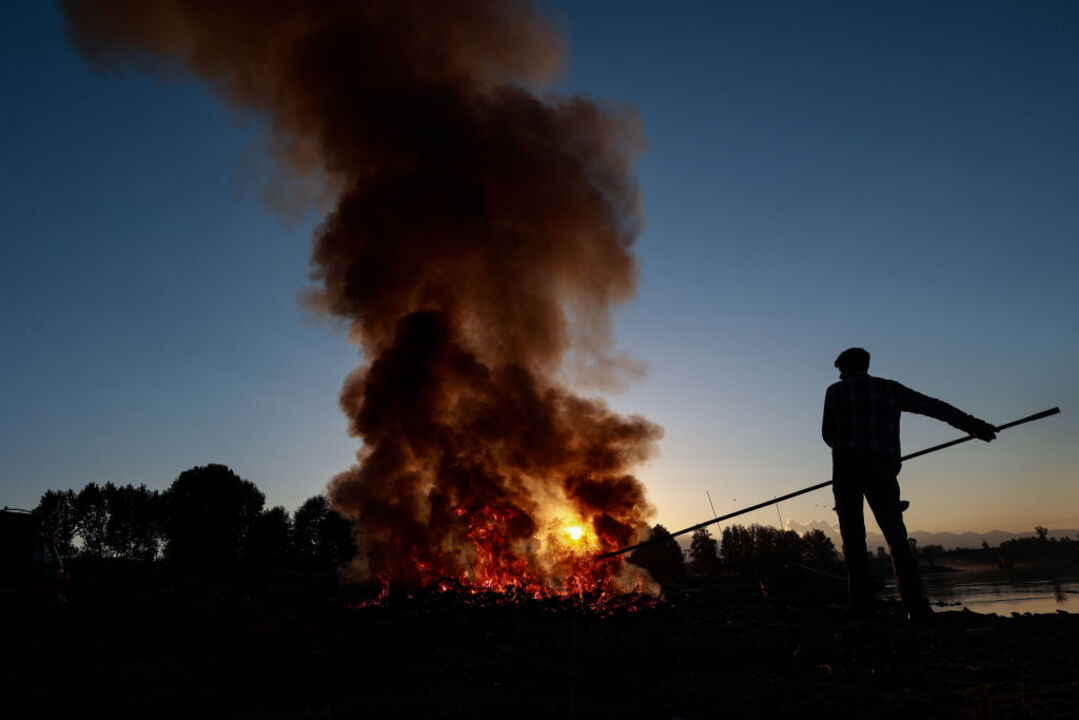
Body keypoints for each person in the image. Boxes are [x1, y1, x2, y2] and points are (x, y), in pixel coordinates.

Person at [822, 347, 996, 621]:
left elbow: (828, 435)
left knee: (853, 540)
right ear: (866, 366)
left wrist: (850, 445)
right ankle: (916, 607)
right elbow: (934, 407)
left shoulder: (834, 392)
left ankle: (863, 607)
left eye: (840, 370)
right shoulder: (890, 389)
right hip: (882, 470)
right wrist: (976, 427)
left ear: (844, 369)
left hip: (846, 472)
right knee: (897, 540)